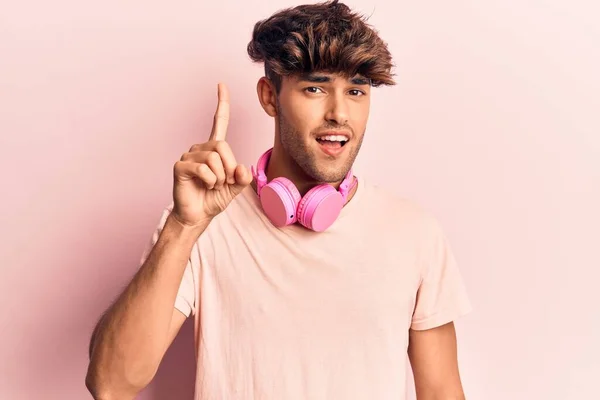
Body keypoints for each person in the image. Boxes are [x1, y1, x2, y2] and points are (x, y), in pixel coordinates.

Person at [85, 1, 472, 399]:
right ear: (270, 98)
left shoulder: (413, 231)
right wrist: (183, 229)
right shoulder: (200, 223)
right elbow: (111, 383)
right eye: (315, 88)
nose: (339, 113)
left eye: (356, 90)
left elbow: (442, 390)